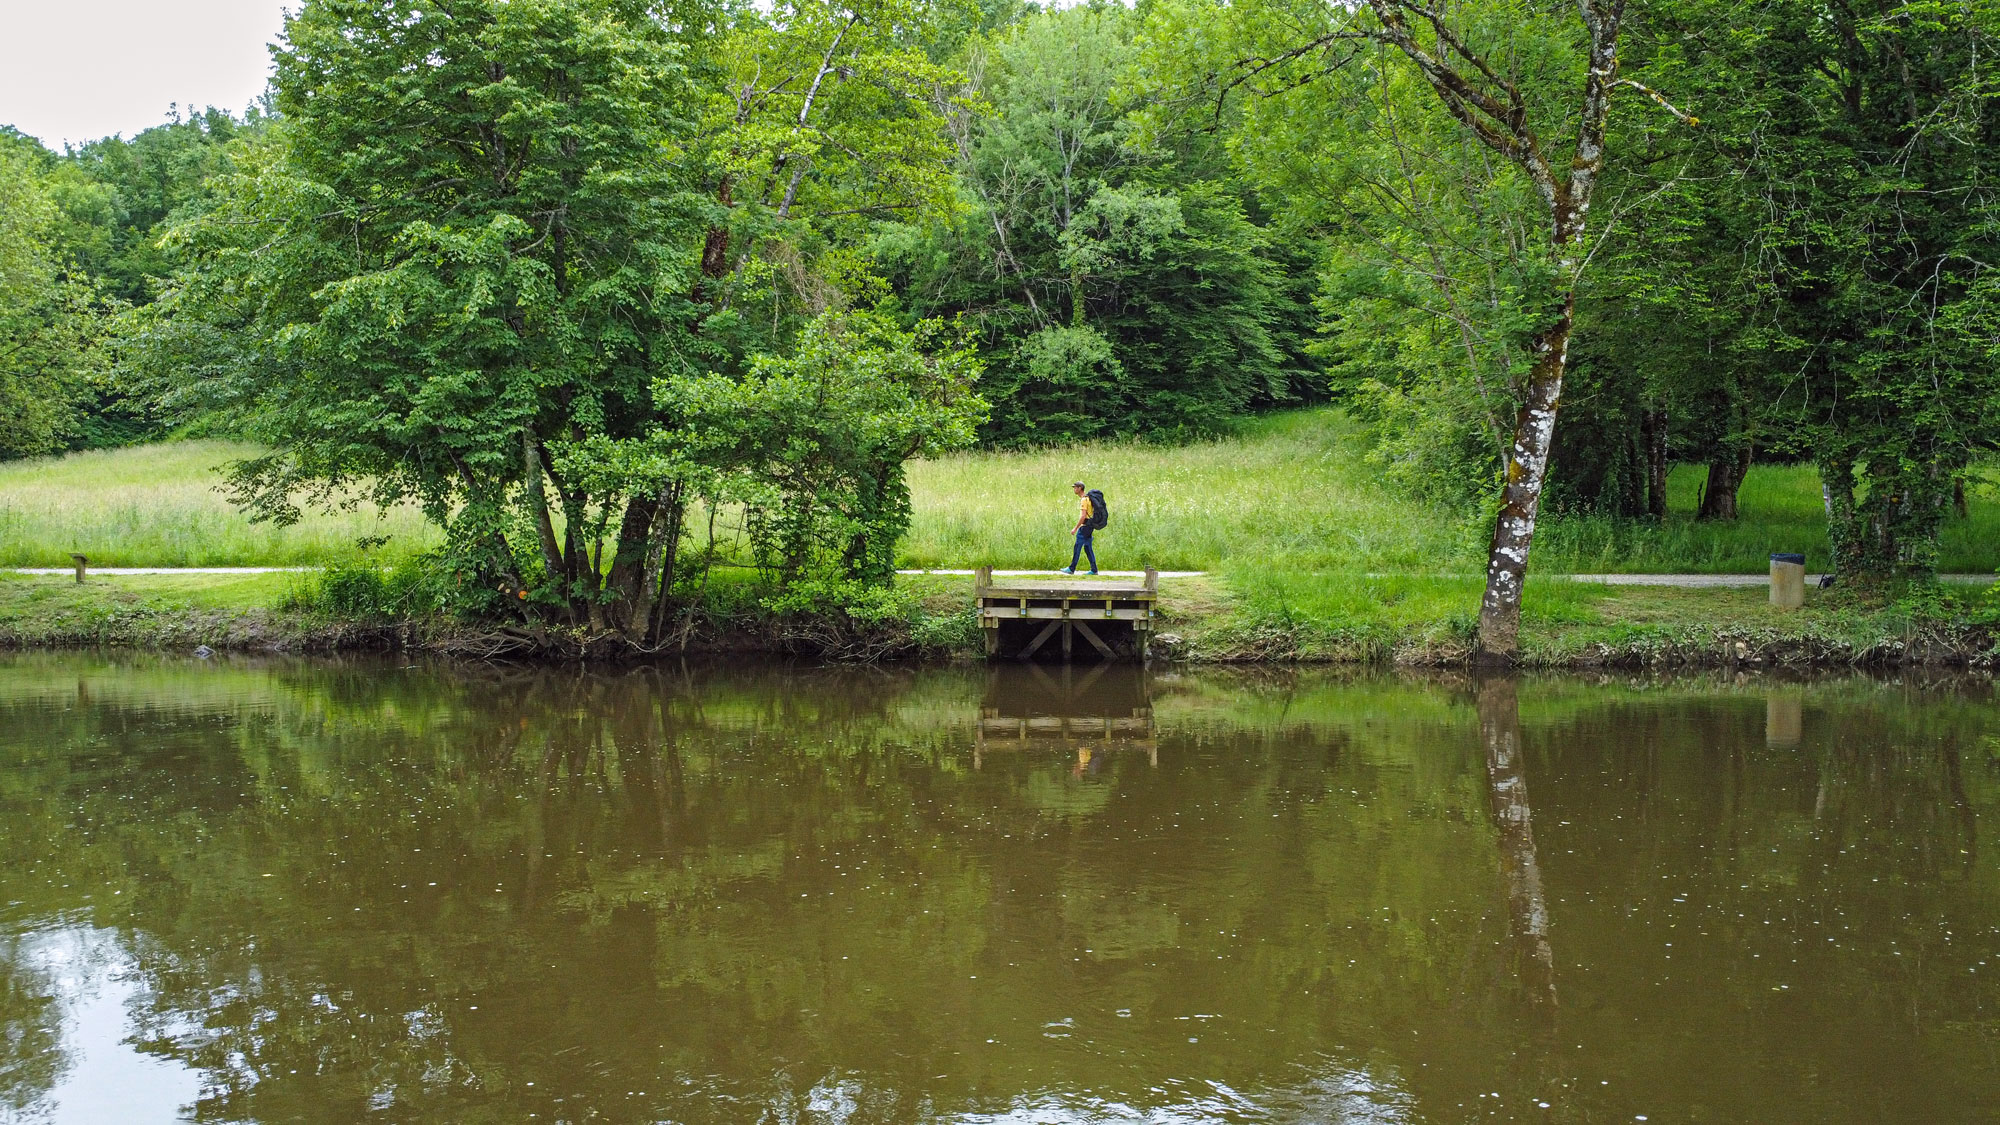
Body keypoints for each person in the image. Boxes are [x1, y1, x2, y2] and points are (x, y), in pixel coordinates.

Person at [1064, 480, 1097, 575]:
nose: (1074, 489)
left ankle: (1071, 568)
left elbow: (1083, 516)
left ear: (1080, 488)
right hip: (1090, 526)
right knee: (1088, 548)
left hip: (1084, 527)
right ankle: (1094, 569)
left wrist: (1075, 528)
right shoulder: (1089, 498)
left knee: (1077, 547)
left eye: (1075, 487)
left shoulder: (1083, 500)